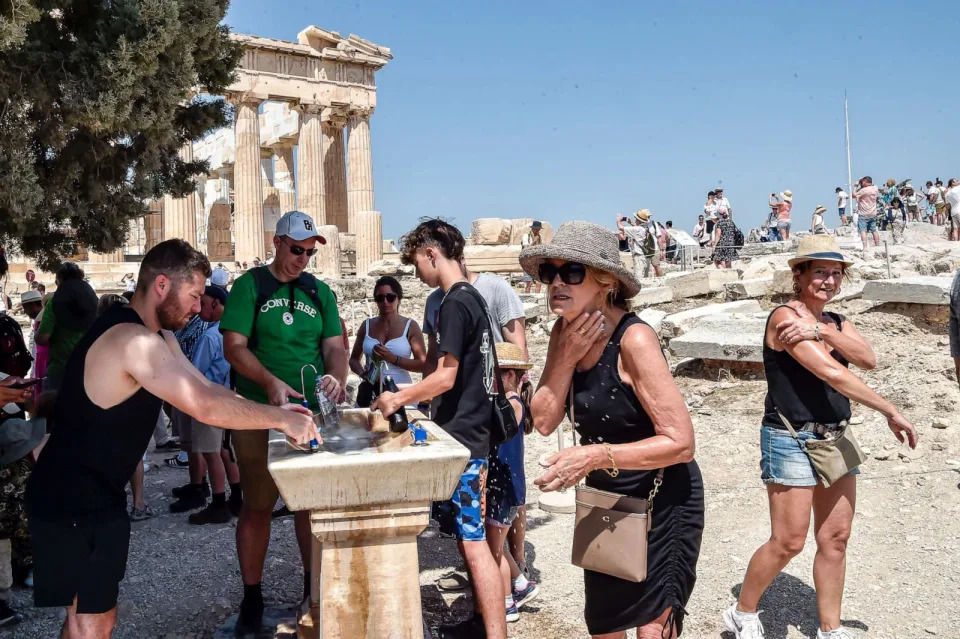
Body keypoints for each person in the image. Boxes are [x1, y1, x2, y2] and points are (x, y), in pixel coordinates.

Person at [26, 239, 317, 639]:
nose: (199, 307)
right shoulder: (133, 341)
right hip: (70, 494)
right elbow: (203, 407)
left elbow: (210, 390)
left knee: (89, 618)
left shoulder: (162, 338)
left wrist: (276, 403)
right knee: (90, 621)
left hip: (95, 492)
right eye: (194, 295)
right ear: (162, 285)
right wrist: (282, 422)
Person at [724, 235, 917, 639]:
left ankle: (830, 628)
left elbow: (868, 357)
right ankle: (743, 610)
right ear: (799, 275)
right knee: (789, 541)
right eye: (820, 273)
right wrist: (890, 410)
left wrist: (822, 330)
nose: (828, 281)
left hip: (835, 435)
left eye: (835, 274)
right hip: (791, 437)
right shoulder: (783, 318)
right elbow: (832, 373)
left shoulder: (833, 321)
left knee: (836, 537)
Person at [522, 221, 703, 639]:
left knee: (651, 630)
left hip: (663, 497)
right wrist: (565, 357)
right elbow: (544, 421)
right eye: (551, 273)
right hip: (608, 499)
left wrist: (596, 455)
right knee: (604, 626)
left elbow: (681, 443)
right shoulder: (562, 332)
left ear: (606, 283)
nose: (556, 284)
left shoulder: (634, 339)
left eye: (571, 273)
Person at [372, 218, 507, 639]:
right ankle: (481, 623)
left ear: (432, 253)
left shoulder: (452, 302)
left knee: (472, 540)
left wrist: (398, 398)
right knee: (470, 537)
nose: (415, 273)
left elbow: (445, 375)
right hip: (475, 432)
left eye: (417, 263)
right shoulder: (475, 298)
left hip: (465, 439)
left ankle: (495, 631)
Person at [220, 210, 347, 635]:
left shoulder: (320, 293)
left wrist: (337, 378)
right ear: (277, 242)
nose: (303, 259)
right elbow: (234, 347)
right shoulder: (248, 286)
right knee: (257, 504)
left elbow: (336, 349)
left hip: (307, 415)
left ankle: (312, 591)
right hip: (257, 411)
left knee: (308, 506)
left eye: (309, 252)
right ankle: (252, 597)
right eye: (296, 250)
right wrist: (269, 381)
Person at [421, 248, 529, 595]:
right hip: (469, 419)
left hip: (493, 412)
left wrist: (514, 397)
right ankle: (508, 583)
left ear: (434, 253)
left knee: (501, 503)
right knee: (482, 520)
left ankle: (514, 578)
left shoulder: (491, 290)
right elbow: (435, 360)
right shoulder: (438, 302)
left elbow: (518, 348)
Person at [484, 341, 539, 624]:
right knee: (496, 541)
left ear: (508, 376)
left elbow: (498, 432)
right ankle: (520, 584)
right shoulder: (510, 403)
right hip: (507, 486)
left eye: (495, 372)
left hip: (503, 488)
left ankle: (506, 603)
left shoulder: (513, 405)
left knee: (493, 550)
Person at [183, 285, 242, 525]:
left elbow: (196, 372)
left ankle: (219, 503)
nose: (198, 309)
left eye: (203, 302)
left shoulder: (210, 336)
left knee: (211, 452)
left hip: (209, 399)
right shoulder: (233, 332)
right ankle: (237, 497)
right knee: (226, 449)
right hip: (230, 396)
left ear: (216, 303)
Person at [349, 276, 427, 393]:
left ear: (398, 299)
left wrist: (393, 358)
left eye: (390, 297)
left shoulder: (411, 326)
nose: (385, 302)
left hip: (401, 391)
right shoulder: (366, 325)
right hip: (371, 391)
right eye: (380, 298)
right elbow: (353, 359)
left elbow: (422, 364)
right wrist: (363, 374)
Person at [34, 262, 98, 392]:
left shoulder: (55, 302)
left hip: (60, 370)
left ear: (60, 281)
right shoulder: (93, 299)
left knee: (54, 409)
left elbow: (42, 338)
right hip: (88, 368)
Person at [619, 209, 664, 279]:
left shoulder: (652, 224)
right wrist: (631, 223)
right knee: (645, 273)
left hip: (650, 250)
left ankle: (661, 280)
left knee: (655, 267)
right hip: (646, 251)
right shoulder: (644, 226)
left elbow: (659, 237)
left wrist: (661, 250)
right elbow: (637, 229)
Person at [853, 176, 881, 252]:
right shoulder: (875, 188)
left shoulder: (863, 190)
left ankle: (865, 247)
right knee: (874, 230)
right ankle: (878, 245)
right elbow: (872, 184)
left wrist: (856, 185)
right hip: (873, 213)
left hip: (863, 213)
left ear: (865, 181)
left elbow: (853, 194)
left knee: (863, 231)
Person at [521, 221, 544, 294]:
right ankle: (527, 299)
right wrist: (534, 242)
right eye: (536, 229)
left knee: (539, 283)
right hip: (527, 262)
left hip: (536, 262)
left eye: (539, 229)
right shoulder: (526, 236)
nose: (538, 231)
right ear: (533, 228)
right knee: (529, 284)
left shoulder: (539, 237)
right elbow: (526, 249)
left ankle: (536, 300)